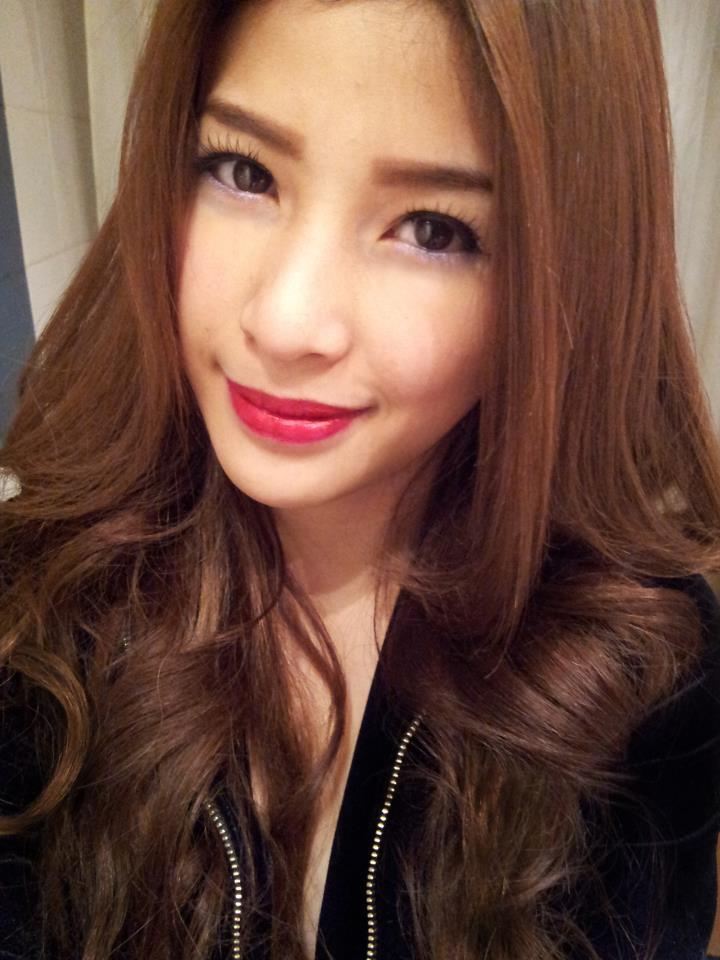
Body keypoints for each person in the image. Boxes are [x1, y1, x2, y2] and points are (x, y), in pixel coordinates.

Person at [1, 0, 720, 957]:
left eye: (433, 228)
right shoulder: (41, 611)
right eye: (244, 172)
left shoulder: (649, 677)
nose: (286, 321)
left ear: (561, 284)